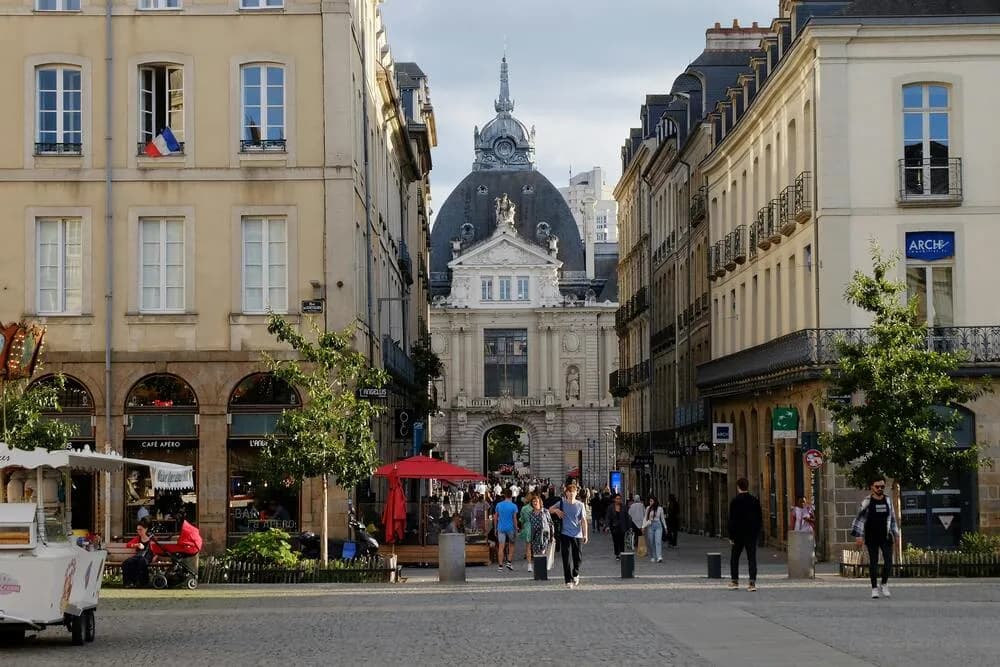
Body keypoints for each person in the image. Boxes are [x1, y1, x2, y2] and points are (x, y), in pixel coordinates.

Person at [851, 476, 900, 599]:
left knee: (888, 561)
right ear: (872, 487)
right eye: (877, 486)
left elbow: (892, 518)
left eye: (882, 487)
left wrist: (896, 534)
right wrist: (859, 536)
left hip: (885, 535)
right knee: (874, 562)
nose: (880, 489)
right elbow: (860, 519)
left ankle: (884, 583)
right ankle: (874, 589)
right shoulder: (867, 501)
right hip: (872, 537)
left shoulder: (888, 501)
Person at [549, 483, 589, 588]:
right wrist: (556, 510)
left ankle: (575, 573)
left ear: (576, 493)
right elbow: (549, 509)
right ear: (566, 493)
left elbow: (584, 520)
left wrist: (586, 535)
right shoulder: (561, 503)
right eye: (569, 492)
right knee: (566, 557)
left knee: (578, 557)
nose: (571, 494)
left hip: (577, 534)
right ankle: (568, 580)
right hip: (564, 533)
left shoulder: (580, 505)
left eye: (573, 493)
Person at [728, 477, 763, 592]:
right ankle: (752, 583)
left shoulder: (735, 501)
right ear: (747, 486)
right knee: (751, 558)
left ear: (738, 487)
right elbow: (759, 518)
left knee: (734, 558)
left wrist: (731, 536)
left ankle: (734, 581)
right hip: (751, 535)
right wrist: (756, 533)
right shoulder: (754, 500)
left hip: (738, 535)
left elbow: (731, 520)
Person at [122, 518, 160, 588]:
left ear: (146, 529)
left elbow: (157, 550)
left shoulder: (152, 538)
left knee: (141, 561)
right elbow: (128, 545)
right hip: (138, 556)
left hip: (147, 557)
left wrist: (155, 557)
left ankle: (143, 583)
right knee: (126, 562)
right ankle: (128, 583)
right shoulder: (137, 538)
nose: (138, 531)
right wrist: (137, 545)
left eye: (140, 529)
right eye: (137, 530)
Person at [494, 489, 519, 572]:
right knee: (512, 544)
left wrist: (495, 528)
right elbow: (514, 519)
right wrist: (516, 528)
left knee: (501, 546)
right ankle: (509, 562)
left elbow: (495, 517)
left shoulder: (499, 505)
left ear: (504, 495)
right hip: (510, 528)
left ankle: (500, 566)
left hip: (500, 527)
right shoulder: (513, 506)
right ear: (511, 496)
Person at [528, 493, 554, 570]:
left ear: (540, 502)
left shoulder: (545, 511)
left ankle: (542, 569)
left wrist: (552, 535)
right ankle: (538, 570)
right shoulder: (531, 513)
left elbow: (550, 523)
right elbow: (530, 525)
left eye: (536, 501)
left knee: (542, 551)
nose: (535, 503)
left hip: (544, 534)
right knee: (536, 552)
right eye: (533, 502)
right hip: (535, 535)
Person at [604, 493, 629, 560]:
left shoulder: (624, 507)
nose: (618, 500)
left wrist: (628, 527)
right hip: (614, 527)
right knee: (615, 541)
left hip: (622, 526)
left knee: (622, 541)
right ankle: (617, 554)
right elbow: (608, 517)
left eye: (619, 499)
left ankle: (622, 553)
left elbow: (627, 517)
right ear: (614, 499)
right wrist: (607, 526)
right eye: (617, 499)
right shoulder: (611, 507)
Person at [644, 496, 667, 563]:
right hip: (650, 526)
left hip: (658, 526)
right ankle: (653, 556)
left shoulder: (660, 509)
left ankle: (659, 556)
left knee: (658, 541)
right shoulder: (648, 508)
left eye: (651, 501)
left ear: (655, 501)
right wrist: (643, 527)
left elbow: (662, 518)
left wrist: (665, 527)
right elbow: (645, 518)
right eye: (649, 501)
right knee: (651, 542)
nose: (650, 502)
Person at [518, 494, 534, 570]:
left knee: (528, 547)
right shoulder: (537, 507)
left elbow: (522, 520)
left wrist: (522, 528)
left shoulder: (524, 508)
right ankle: (539, 562)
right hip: (536, 527)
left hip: (527, 527)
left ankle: (529, 565)